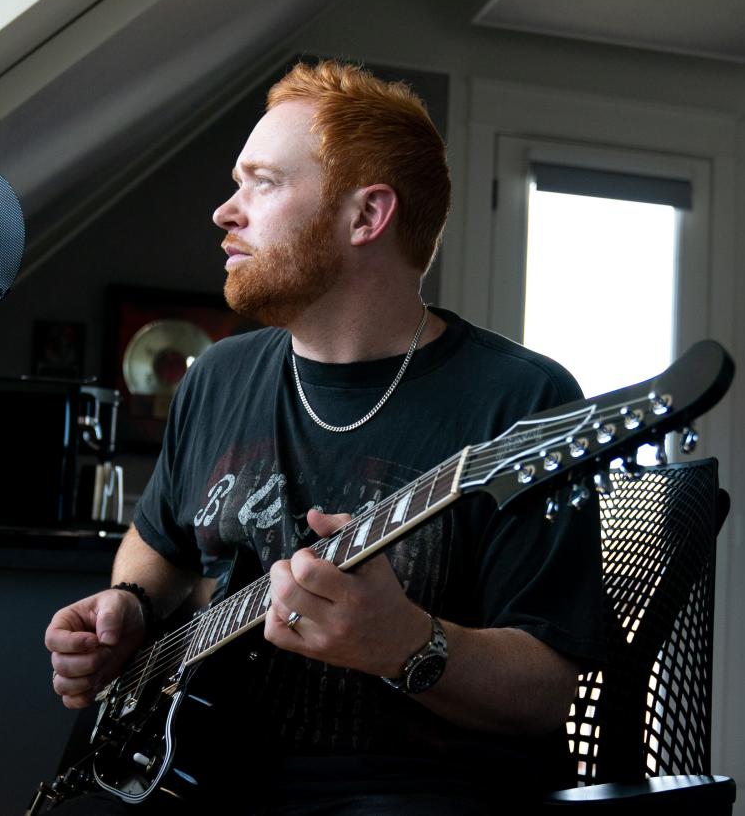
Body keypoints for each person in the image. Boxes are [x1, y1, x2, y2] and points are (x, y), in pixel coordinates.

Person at [43, 60, 604, 815]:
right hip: (199, 775)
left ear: (366, 217)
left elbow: (549, 692)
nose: (224, 211)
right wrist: (129, 608)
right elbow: (161, 544)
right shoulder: (216, 377)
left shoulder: (523, 401)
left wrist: (406, 643)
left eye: (262, 183)